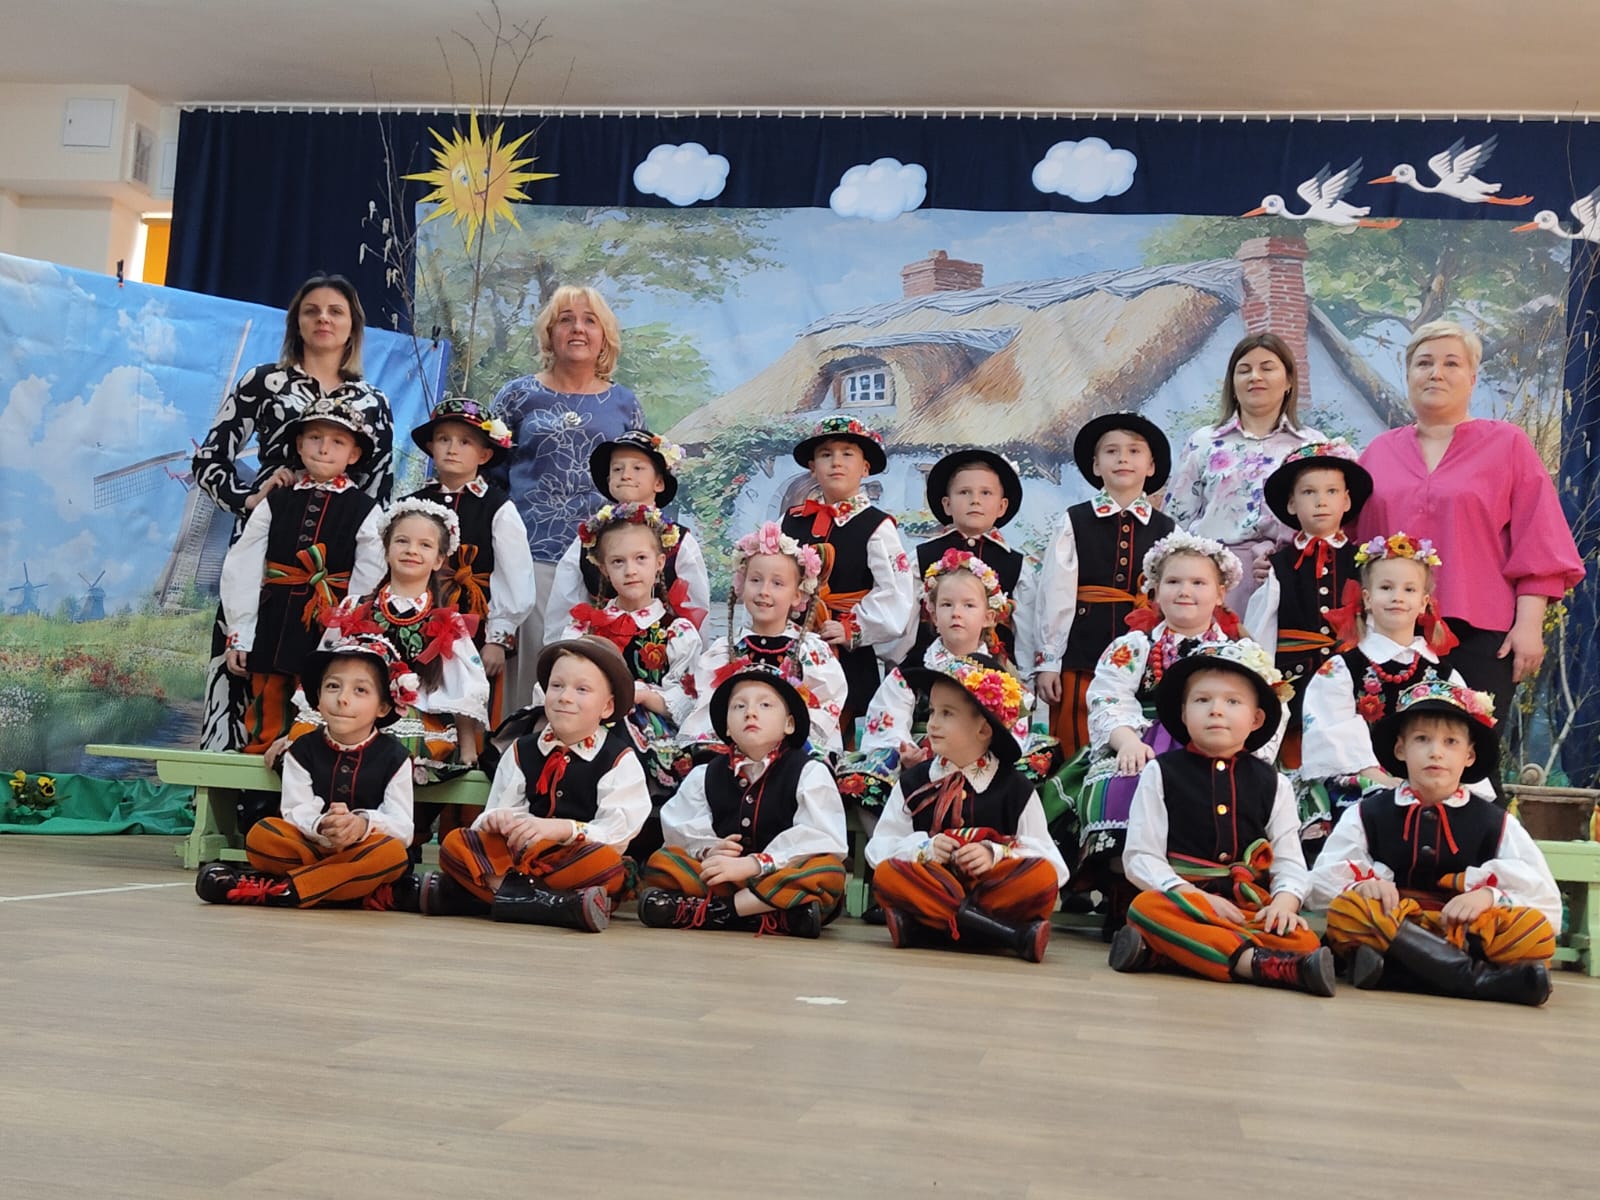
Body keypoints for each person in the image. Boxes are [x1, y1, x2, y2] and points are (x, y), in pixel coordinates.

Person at [193, 272, 395, 750]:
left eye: (335, 311)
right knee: (246, 668)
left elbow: (379, 491)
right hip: (267, 552)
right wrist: (248, 498)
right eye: (312, 310)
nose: (323, 318)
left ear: (352, 326)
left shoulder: (372, 401)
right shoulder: (263, 382)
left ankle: (318, 777)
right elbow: (209, 459)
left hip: (337, 571)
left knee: (325, 680)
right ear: (296, 322)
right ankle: (229, 781)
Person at [1355, 319, 1584, 730]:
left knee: (1470, 751)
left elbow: (1538, 541)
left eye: (1451, 363)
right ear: (1408, 375)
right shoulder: (1377, 453)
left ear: (1473, 378)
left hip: (1480, 634)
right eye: (1424, 363)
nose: (1436, 373)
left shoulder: (1507, 444)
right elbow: (1347, 542)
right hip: (1391, 633)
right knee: (1391, 749)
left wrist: (1529, 626)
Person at [1308, 678, 1559, 1006]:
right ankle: (1479, 980)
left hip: (1464, 932)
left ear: (1469, 755)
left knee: (1533, 931)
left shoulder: (1496, 822)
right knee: (1350, 910)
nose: (1436, 752)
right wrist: (1364, 886)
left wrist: (1487, 896)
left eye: (1450, 742)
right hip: (1394, 924)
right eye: (1422, 739)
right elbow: (1319, 884)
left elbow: (1546, 901)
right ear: (1401, 749)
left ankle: (1393, 973)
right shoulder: (1368, 813)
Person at [1110, 641, 1335, 996]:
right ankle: (1258, 965)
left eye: (1232, 702)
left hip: (1245, 907)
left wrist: (1284, 904)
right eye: (1202, 700)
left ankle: (1167, 953)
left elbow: (1290, 861)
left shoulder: (1274, 783)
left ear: (1256, 719)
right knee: (1145, 908)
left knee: (1303, 938)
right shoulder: (1160, 772)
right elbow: (1141, 856)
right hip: (1185, 901)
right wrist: (1192, 896)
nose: (1216, 710)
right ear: (1184, 713)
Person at [1059, 532, 1262, 921]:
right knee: (1119, 782)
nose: (1185, 591)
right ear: (1155, 589)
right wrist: (1126, 741)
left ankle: (1207, 890)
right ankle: (1124, 890)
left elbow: (1265, 706)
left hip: (1217, 744)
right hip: (1144, 740)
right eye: (1173, 581)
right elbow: (1109, 696)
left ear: (1220, 594)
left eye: (1198, 582)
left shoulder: (1241, 653)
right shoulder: (1135, 645)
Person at [420, 637, 650, 931]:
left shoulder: (619, 759)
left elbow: (617, 832)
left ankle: (486, 896)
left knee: (605, 864)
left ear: (607, 707)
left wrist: (563, 829)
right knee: (456, 843)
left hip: (570, 859)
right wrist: (499, 820)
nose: (565, 697)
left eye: (582, 689)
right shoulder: (521, 750)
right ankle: (552, 905)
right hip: (520, 856)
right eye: (557, 686)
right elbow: (499, 809)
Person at [491, 286, 646, 710]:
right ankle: (517, 745)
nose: (578, 328)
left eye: (589, 320)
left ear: (604, 336)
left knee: (589, 670)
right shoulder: (517, 396)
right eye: (566, 319)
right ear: (549, 332)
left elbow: (638, 480)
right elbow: (490, 474)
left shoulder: (624, 403)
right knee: (531, 675)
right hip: (531, 554)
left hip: (601, 560)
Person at [866, 655, 1068, 963]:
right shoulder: (913, 783)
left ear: (984, 730)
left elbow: (1054, 865)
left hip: (990, 891)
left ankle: (927, 928)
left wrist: (995, 853)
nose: (932, 723)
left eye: (947, 713)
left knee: (1040, 878)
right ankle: (1006, 934)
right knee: (887, 875)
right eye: (932, 711)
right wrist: (925, 848)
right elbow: (879, 849)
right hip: (936, 885)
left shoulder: (1014, 789)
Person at [195, 632, 414, 909]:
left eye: (360, 690)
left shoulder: (396, 757)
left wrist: (361, 823)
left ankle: (285, 889)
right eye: (333, 686)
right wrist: (323, 825)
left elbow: (403, 826)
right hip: (311, 847)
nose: (343, 699)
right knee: (263, 835)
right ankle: (347, 887)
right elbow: (295, 809)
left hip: (363, 846)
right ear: (318, 698)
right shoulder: (302, 749)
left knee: (392, 853)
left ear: (383, 706)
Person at [217, 397, 385, 754]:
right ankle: (259, 772)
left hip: (327, 624)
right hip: (273, 622)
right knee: (266, 704)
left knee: (321, 702)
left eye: (338, 442)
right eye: (315, 438)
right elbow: (243, 565)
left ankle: (313, 770)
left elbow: (369, 577)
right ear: (298, 444)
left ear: (354, 454)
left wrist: (345, 633)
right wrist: (240, 633)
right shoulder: (277, 501)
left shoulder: (365, 510)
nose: (324, 449)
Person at [637, 667, 848, 936]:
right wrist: (709, 850)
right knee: (663, 862)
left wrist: (756, 864)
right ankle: (773, 915)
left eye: (765, 705)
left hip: (779, 872)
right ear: (726, 726)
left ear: (789, 724)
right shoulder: (706, 774)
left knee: (827, 871)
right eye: (739, 706)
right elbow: (681, 827)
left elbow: (820, 836)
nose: (750, 712)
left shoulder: (809, 772)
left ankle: (720, 912)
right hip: (726, 878)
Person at [1299, 533, 1479, 846]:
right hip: (1362, 785)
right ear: (1367, 598)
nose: (1397, 597)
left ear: (1424, 602)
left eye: (1409, 589)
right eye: (1386, 588)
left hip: (1432, 783)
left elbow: (1460, 735)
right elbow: (1329, 731)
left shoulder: (1444, 674)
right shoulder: (1342, 669)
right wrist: (1383, 780)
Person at [320, 500, 489, 801]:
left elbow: (464, 687)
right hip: (352, 711)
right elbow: (324, 669)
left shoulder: (446, 621)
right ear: (386, 550)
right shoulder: (355, 607)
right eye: (402, 541)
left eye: (425, 545)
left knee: (404, 754)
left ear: (439, 559)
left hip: (416, 717)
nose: (412, 550)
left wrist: (468, 748)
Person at [1034, 413, 1177, 758]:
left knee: (1142, 740)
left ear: (1151, 466)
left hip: (1146, 658)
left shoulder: (1169, 529)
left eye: (1134, 451)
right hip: (1082, 652)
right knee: (1075, 743)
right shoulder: (1075, 520)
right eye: (1112, 451)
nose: (1123, 458)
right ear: (1096, 465)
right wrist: (1050, 661)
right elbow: (1055, 593)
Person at [1164, 333, 1325, 613]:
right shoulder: (1204, 442)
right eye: (1244, 370)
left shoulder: (1313, 446)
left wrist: (1286, 559)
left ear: (1288, 380)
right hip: (1212, 580)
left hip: (1289, 576)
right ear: (1232, 382)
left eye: (1267, 368)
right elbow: (1175, 521)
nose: (1255, 377)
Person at [780, 415, 917, 742]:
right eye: (826, 454)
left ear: (865, 468)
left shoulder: (877, 526)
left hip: (844, 650)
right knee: (784, 718)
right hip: (791, 643)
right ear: (812, 467)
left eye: (847, 454)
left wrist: (851, 629)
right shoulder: (790, 521)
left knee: (839, 733)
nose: (836, 462)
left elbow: (896, 594)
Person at [403, 397, 533, 728]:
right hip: (416, 620)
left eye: (465, 442)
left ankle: (467, 752)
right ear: (431, 446)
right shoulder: (411, 505)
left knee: (468, 699)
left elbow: (515, 577)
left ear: (484, 455)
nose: (452, 449)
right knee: (413, 692)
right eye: (444, 439)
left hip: (475, 625)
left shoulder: (498, 507)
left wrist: (498, 638)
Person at [556, 503, 702, 797]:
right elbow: (561, 680)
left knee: (621, 732)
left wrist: (642, 695)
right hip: (584, 719)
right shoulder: (584, 629)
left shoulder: (676, 631)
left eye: (640, 559)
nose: (630, 570)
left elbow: (686, 698)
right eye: (618, 562)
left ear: (659, 563)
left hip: (646, 729)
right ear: (604, 568)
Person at [1243, 439, 1372, 767]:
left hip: (1354, 681)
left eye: (1332, 491)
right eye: (1308, 492)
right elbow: (1262, 629)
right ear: (1291, 504)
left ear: (1346, 501)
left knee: (1353, 758)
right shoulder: (1278, 564)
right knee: (1298, 764)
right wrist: (1262, 681)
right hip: (1296, 683)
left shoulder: (1366, 561)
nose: (1321, 501)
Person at [679, 522, 847, 754]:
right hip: (733, 747)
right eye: (756, 580)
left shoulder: (811, 652)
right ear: (742, 584)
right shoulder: (725, 650)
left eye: (777, 583)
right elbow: (709, 709)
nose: (764, 591)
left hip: (791, 750)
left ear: (797, 594)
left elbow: (825, 706)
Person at [545, 430, 710, 641]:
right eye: (617, 469)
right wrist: (560, 650)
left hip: (661, 647)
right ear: (608, 480)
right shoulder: (589, 539)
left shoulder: (679, 541)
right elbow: (563, 604)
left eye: (637, 468)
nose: (626, 475)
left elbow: (696, 605)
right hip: (600, 645)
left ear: (659, 483)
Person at [911, 449, 1035, 669]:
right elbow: (904, 619)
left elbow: (1026, 629)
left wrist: (1027, 673)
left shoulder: (1015, 564)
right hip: (928, 667)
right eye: (964, 492)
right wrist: (901, 663)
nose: (975, 500)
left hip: (994, 671)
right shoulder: (922, 557)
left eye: (986, 493)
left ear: (1002, 506)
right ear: (947, 504)